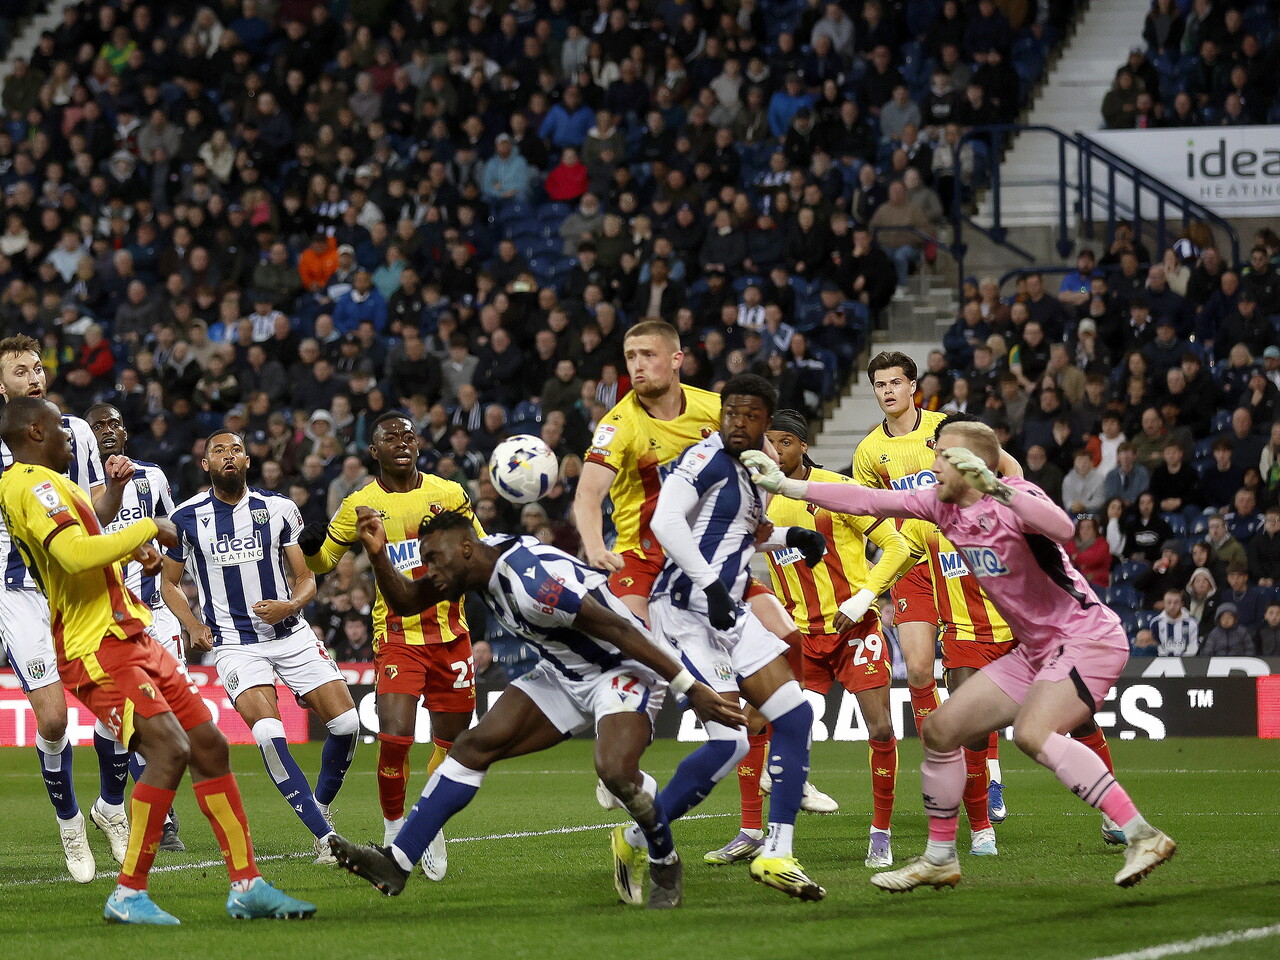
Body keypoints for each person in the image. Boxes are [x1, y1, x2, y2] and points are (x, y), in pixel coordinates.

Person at [745, 418, 1176, 891]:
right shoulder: (940, 507)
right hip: (1034, 651)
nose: (930, 469)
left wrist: (999, 487)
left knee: (1033, 733)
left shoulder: (1011, 498)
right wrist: (786, 484)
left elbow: (1063, 527)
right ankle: (940, 857)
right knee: (940, 730)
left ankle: (1141, 833)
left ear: (971, 466)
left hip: (1085, 638)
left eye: (940, 459)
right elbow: (868, 500)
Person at [326, 507, 745, 908]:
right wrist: (378, 554)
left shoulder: (533, 584)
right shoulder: (473, 569)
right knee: (471, 747)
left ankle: (663, 860)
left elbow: (617, 628)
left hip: (620, 669)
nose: (430, 570)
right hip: (562, 671)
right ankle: (397, 862)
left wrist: (692, 689)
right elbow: (404, 600)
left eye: (434, 558)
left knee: (616, 771)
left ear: (466, 547)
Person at [0, 397, 314, 924]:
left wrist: (126, 539)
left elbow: (91, 533)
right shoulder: (27, 484)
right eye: (61, 428)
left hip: (132, 632)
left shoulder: (54, 481)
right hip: (93, 646)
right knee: (168, 748)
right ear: (34, 431)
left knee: (209, 743)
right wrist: (146, 530)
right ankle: (128, 893)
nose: (71, 437)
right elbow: (73, 554)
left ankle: (247, 883)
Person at [572, 319, 837, 813]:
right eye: (630, 357)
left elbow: (744, 478)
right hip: (644, 557)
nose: (637, 365)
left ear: (676, 359)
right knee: (635, 660)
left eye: (647, 355)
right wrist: (593, 545)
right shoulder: (619, 424)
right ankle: (616, 768)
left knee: (790, 639)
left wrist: (770, 528)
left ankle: (781, 765)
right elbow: (588, 496)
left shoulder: (713, 410)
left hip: (713, 556)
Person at [644, 374, 828, 900]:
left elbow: (748, 534)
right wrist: (710, 585)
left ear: (766, 423)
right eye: (731, 413)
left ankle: (777, 852)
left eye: (750, 416)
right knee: (733, 742)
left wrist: (796, 536)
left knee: (794, 715)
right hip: (683, 613)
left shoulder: (752, 473)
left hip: (726, 616)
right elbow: (665, 520)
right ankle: (640, 834)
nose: (738, 423)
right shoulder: (705, 459)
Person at [704, 409, 912, 869]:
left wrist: (863, 599)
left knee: (879, 727)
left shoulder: (837, 491)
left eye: (783, 442)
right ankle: (751, 831)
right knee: (752, 721)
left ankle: (880, 834)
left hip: (852, 628)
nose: (773, 451)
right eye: (767, 442)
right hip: (798, 635)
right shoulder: (756, 499)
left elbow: (898, 545)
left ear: (802, 445)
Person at [161, 431, 359, 866]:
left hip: (290, 634)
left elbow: (306, 577)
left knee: (347, 723)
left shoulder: (279, 509)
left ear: (248, 460)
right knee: (270, 733)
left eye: (235, 450)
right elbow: (168, 584)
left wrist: (291, 603)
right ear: (206, 464)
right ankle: (326, 837)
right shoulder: (186, 517)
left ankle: (320, 803)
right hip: (234, 645)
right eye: (218, 451)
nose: (227, 457)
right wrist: (192, 623)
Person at [302, 412, 481, 878]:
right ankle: (393, 829)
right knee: (396, 738)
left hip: (452, 637)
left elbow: (479, 551)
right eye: (389, 437)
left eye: (408, 435)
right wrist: (308, 544)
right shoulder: (360, 503)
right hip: (398, 637)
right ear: (373, 451)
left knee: (451, 744)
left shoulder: (449, 493)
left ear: (418, 445)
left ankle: (431, 821)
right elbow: (324, 560)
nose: (401, 441)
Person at [851, 353, 1022, 826]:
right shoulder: (868, 453)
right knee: (921, 670)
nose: (887, 391)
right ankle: (946, 765)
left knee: (972, 668)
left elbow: (1006, 465)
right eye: (879, 384)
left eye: (895, 382)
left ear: (913, 386)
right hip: (912, 563)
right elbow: (870, 513)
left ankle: (988, 772)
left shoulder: (946, 428)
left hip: (959, 557)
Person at [0, 335, 137, 881]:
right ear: (0, 385)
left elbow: (88, 513)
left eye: (37, 368)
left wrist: (116, 491)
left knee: (118, 707)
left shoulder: (74, 431)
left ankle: (110, 806)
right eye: (19, 371)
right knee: (54, 719)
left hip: (74, 585)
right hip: (18, 593)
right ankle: (70, 823)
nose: (33, 377)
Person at [86, 401, 184, 852]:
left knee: (166, 713)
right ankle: (156, 818)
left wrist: (168, 577)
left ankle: (140, 809)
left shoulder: (154, 477)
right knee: (131, 715)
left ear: (126, 432)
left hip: (156, 612)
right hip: (106, 617)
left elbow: (174, 531)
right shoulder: (75, 488)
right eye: (98, 425)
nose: (108, 430)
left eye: (114, 423)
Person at [1150, 589, 1199, 655]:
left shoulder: (1192, 623)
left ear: (1181, 604)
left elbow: (1193, 646)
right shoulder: (1155, 623)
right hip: (1162, 662)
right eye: (1169, 602)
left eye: (1176, 602)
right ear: (1163, 604)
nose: (1172, 606)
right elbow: (1156, 646)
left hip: (1186, 662)